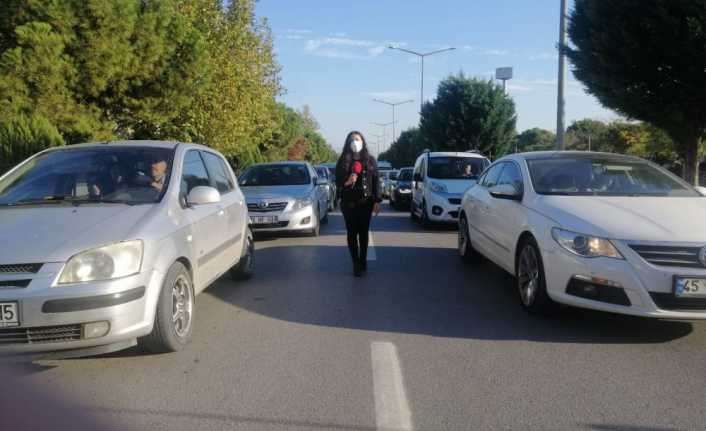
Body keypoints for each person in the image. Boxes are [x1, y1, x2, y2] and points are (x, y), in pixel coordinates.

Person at [336, 131, 381, 277]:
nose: (355, 142)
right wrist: (348, 181)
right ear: (348, 143)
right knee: (351, 233)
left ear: (362, 142)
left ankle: (363, 260)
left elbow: (376, 181)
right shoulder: (343, 160)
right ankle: (355, 263)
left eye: (357, 139)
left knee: (363, 233)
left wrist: (377, 201)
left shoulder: (370, 160)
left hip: (365, 203)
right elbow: (337, 182)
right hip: (349, 204)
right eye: (352, 140)